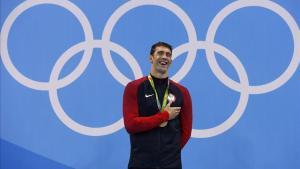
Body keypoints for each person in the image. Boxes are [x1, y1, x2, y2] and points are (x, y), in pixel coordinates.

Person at [123, 42, 193, 169]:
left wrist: (170, 152)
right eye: (160, 53)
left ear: (171, 60)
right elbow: (131, 125)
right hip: (141, 162)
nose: (164, 57)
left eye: (168, 55)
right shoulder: (134, 87)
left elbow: (186, 132)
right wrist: (164, 115)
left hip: (171, 163)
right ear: (151, 58)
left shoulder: (182, 91)